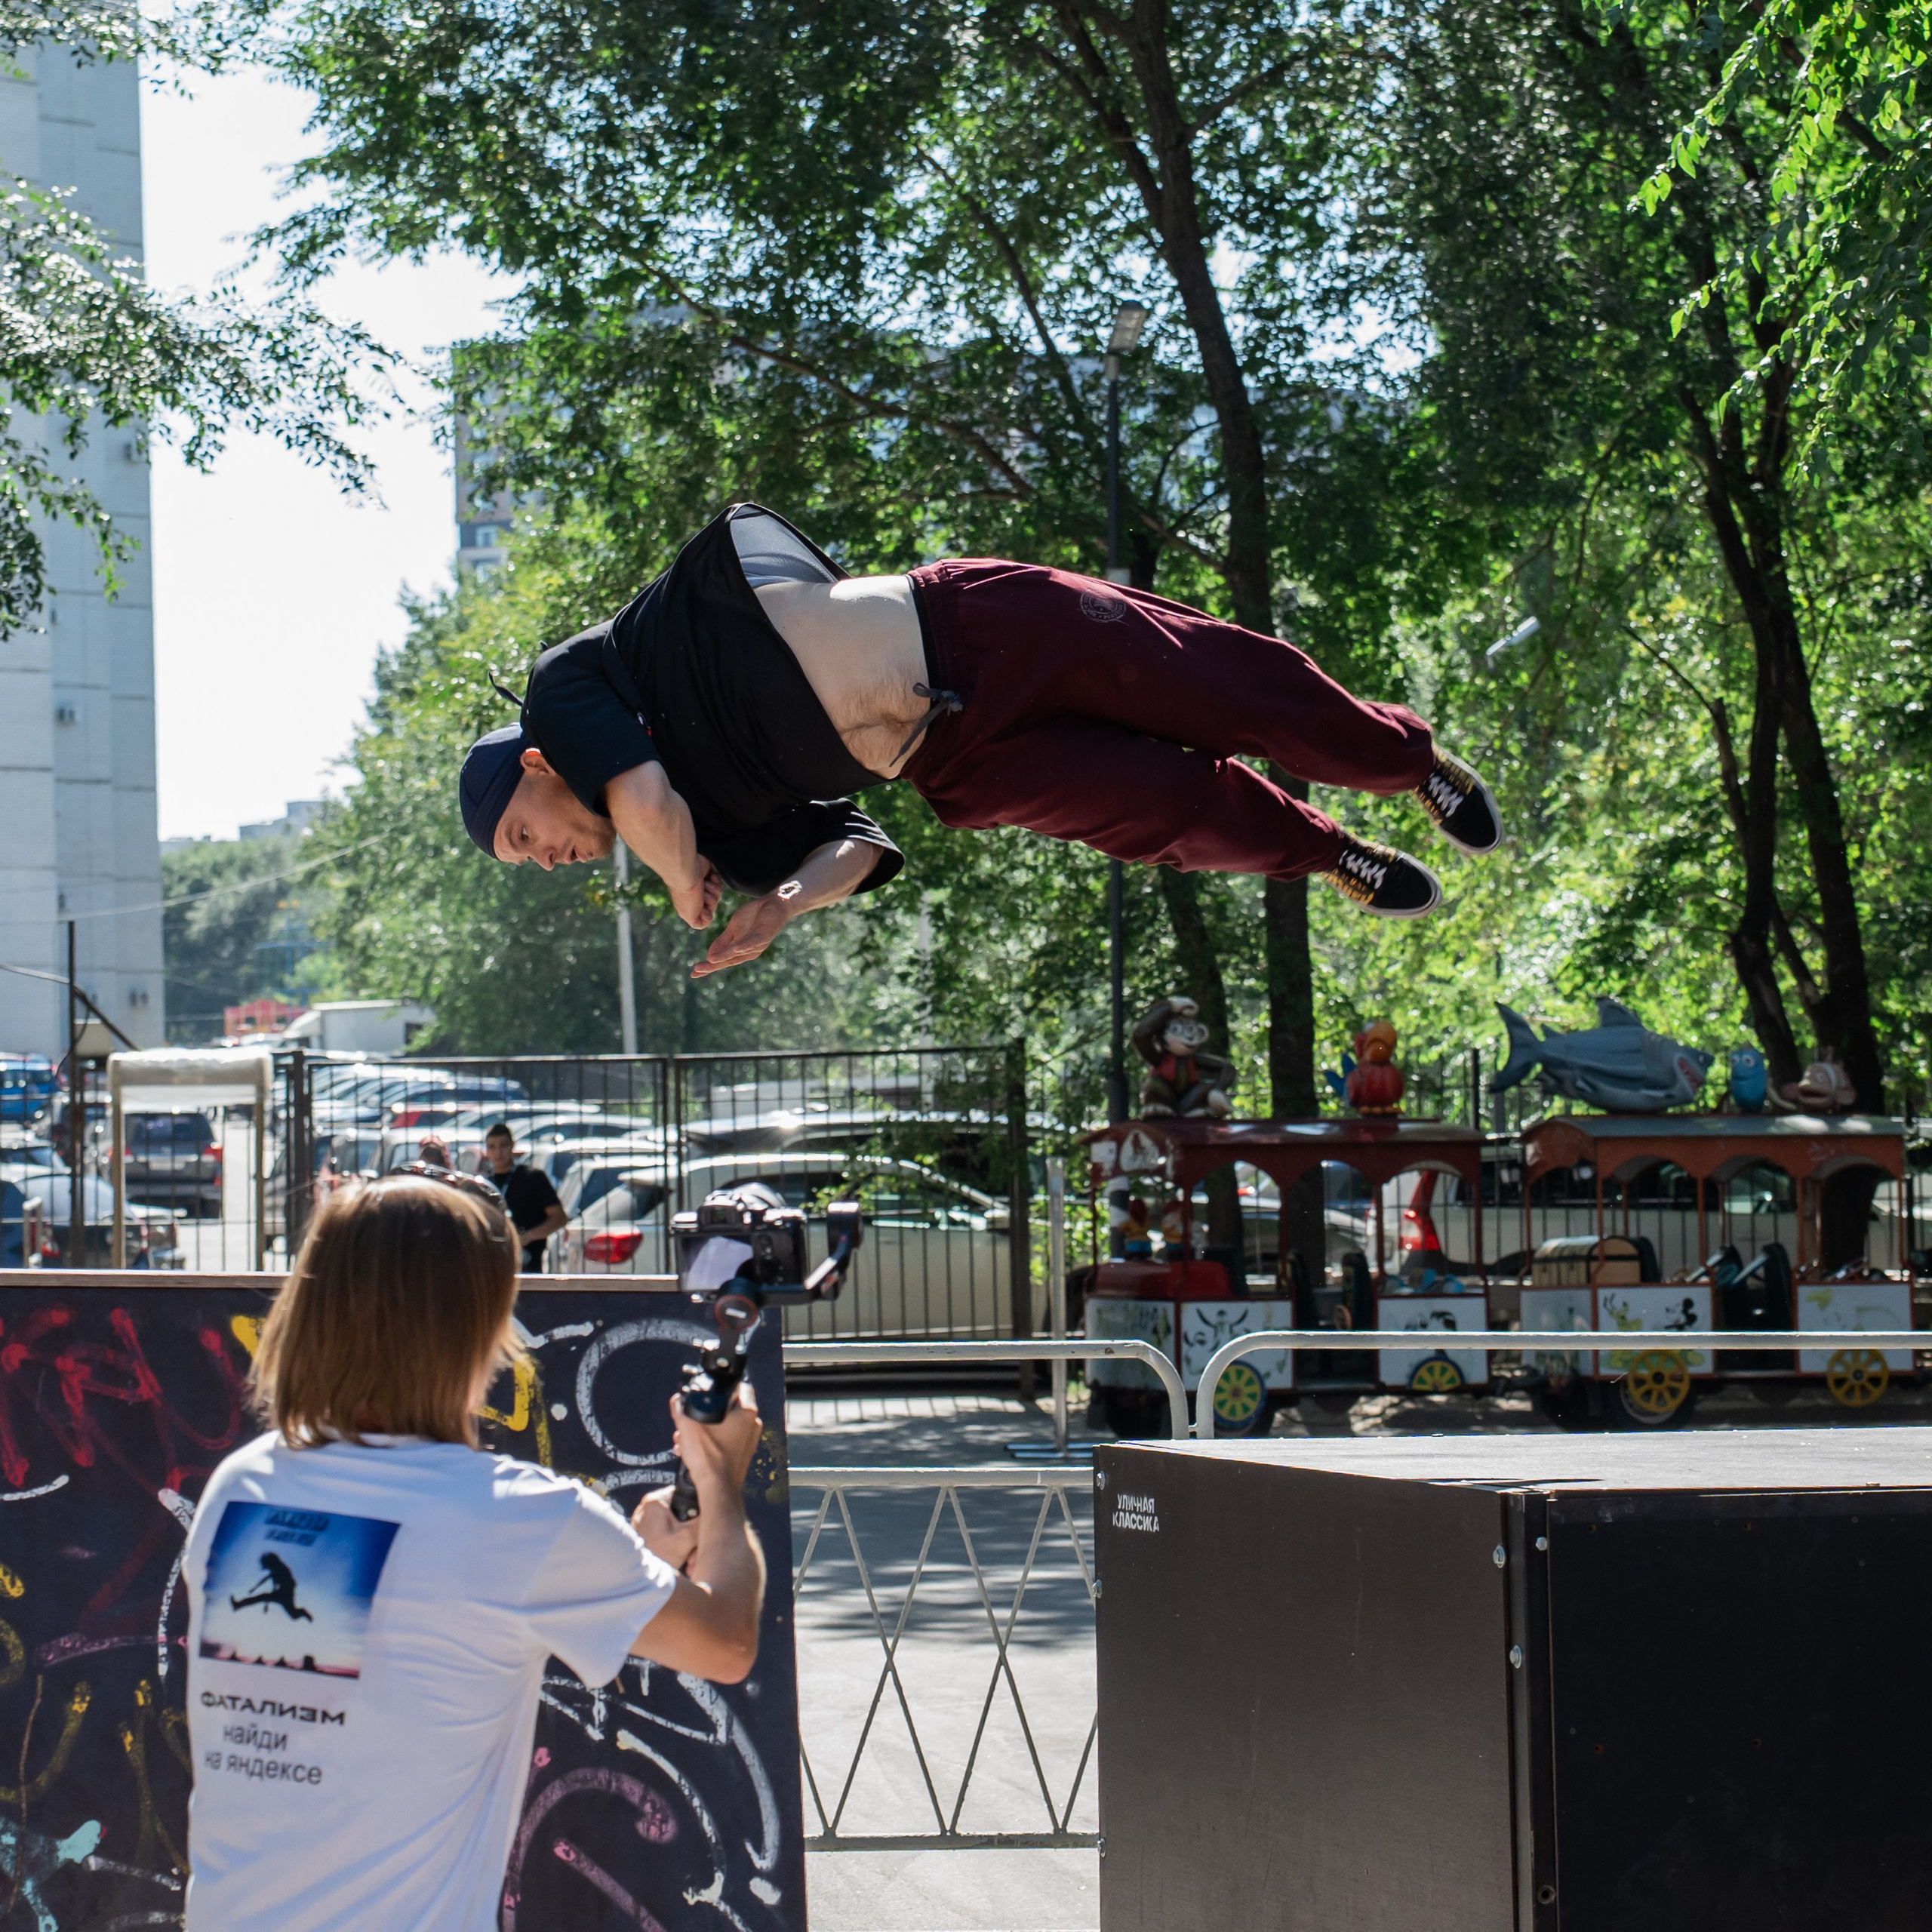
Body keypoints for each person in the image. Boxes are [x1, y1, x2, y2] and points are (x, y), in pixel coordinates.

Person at [460, 504, 1504, 978]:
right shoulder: (715, 834)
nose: (544, 857)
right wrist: (779, 904)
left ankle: (1408, 763)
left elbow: (646, 799)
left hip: (974, 630)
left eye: (521, 834)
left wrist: (685, 874)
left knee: (1220, 686)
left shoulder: (567, 692)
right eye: (528, 862)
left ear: (538, 768)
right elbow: (857, 849)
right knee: (1167, 815)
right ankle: (1334, 855)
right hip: (960, 762)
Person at [180, 1171, 764, 1932]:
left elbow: (392, 1668)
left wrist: (624, 1562)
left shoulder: (247, 1483)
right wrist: (719, 1478)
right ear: (472, 1329)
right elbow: (725, 1642)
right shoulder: (517, 1519)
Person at [481, 1120, 568, 1271]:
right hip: (494, 1264)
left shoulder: (533, 1178)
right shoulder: (484, 1184)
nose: (498, 1152)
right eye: (492, 1147)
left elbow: (559, 1218)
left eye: (503, 1145)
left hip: (528, 1264)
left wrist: (526, 1237)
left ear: (512, 1146)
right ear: (487, 1151)